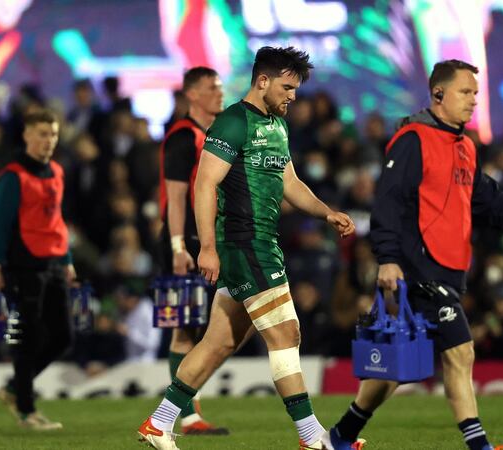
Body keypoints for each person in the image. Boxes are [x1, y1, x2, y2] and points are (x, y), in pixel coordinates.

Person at [137, 46, 355, 450]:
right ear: (263, 81)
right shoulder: (234, 122)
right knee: (286, 334)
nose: (293, 96)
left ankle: (159, 422)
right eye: (288, 87)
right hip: (244, 243)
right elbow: (204, 184)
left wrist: (326, 212)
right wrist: (207, 248)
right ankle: (313, 438)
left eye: (296, 89)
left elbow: (290, 182)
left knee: (219, 342)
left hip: (261, 242)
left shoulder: (276, 125)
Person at [328, 60, 503, 450]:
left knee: (395, 369)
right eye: (465, 92)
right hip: (419, 268)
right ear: (437, 94)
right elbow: (388, 202)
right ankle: (479, 445)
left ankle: (339, 437)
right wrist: (387, 257)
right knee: (460, 352)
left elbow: (486, 198)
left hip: (449, 269)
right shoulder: (413, 140)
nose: (473, 101)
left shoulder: (465, 146)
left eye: (476, 94)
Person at [0, 109, 75, 430]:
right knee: (28, 337)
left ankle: (14, 389)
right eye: (41, 134)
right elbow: (0, 223)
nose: (47, 141)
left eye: (52, 134)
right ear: (26, 135)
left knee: (63, 335)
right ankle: (26, 409)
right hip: (22, 266)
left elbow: (56, 221)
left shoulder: (56, 172)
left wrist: (67, 260)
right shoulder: (13, 175)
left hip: (51, 263)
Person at [155, 66, 228, 435]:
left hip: (205, 243)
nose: (220, 92)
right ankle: (188, 417)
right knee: (185, 330)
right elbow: (176, 197)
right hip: (185, 245)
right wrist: (178, 246)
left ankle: (187, 414)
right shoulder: (184, 137)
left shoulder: (210, 135)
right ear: (192, 95)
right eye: (212, 87)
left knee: (197, 329)